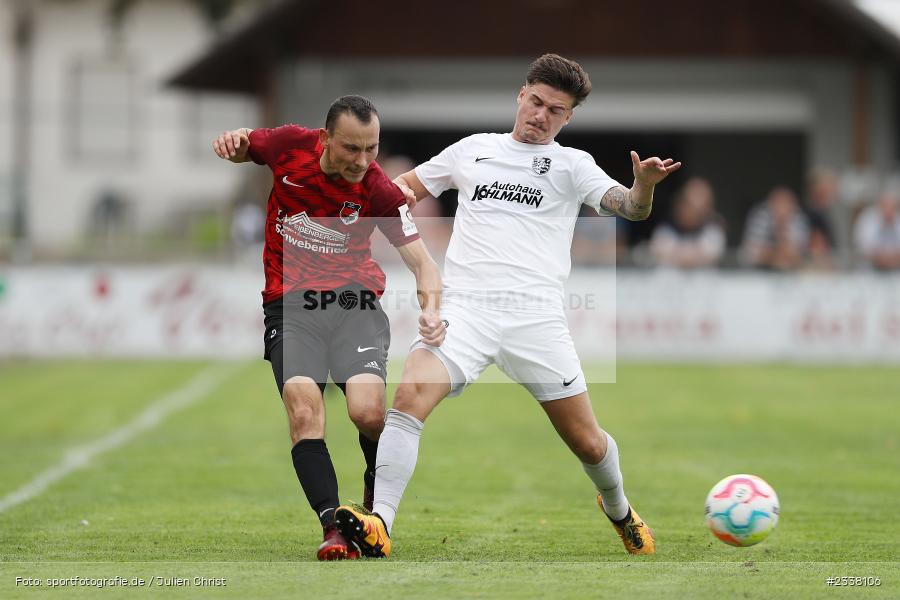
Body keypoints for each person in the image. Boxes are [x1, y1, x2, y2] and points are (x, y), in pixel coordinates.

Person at [334, 54, 680, 557]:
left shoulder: (572, 164)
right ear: (521, 95)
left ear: (568, 118)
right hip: (465, 311)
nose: (541, 115)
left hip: (536, 320)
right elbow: (403, 188)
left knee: (586, 442)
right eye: (536, 102)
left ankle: (619, 508)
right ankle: (381, 523)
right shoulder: (474, 150)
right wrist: (360, 196)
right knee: (408, 397)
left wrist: (644, 184)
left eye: (555, 110)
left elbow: (629, 208)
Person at [212, 95, 446, 561]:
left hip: (353, 305)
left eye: (371, 149)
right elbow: (245, 148)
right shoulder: (287, 146)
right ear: (324, 139)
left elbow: (423, 263)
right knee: (304, 412)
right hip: (290, 307)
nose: (362, 161)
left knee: (367, 414)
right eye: (351, 149)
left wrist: (432, 309)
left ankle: (374, 514)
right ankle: (333, 530)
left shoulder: (378, 189)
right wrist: (232, 144)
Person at [649, 176, 725, 269]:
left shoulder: (713, 231)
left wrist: (680, 254)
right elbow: (658, 251)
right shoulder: (664, 230)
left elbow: (712, 253)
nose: (695, 210)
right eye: (690, 203)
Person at [740, 186, 810, 271]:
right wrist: (777, 255)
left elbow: (798, 256)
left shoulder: (799, 219)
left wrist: (782, 225)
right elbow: (752, 254)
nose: (781, 207)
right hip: (758, 271)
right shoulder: (760, 216)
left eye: (785, 204)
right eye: (778, 203)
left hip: (791, 273)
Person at [853, 190, 900, 270]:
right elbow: (862, 246)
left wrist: (892, 258)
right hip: (869, 268)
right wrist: (880, 257)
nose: (888, 210)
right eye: (885, 206)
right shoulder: (867, 218)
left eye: (892, 207)